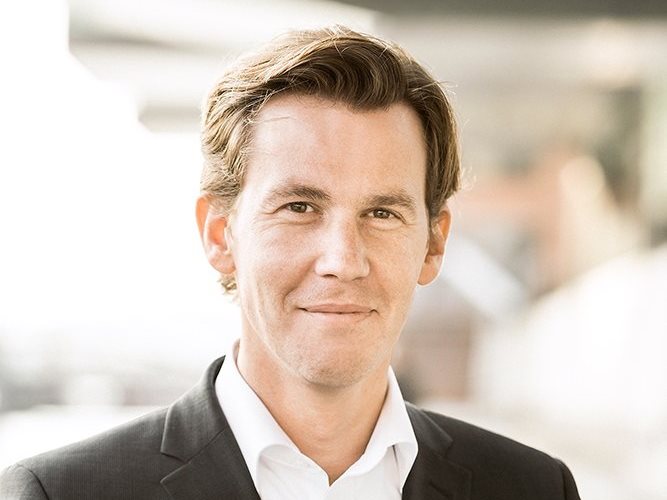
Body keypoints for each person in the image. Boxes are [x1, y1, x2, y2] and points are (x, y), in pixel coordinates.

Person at [0, 26, 580, 499]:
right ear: (220, 235)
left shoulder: (532, 489)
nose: (343, 260)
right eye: (299, 207)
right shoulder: (64, 493)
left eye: (381, 213)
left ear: (433, 244)